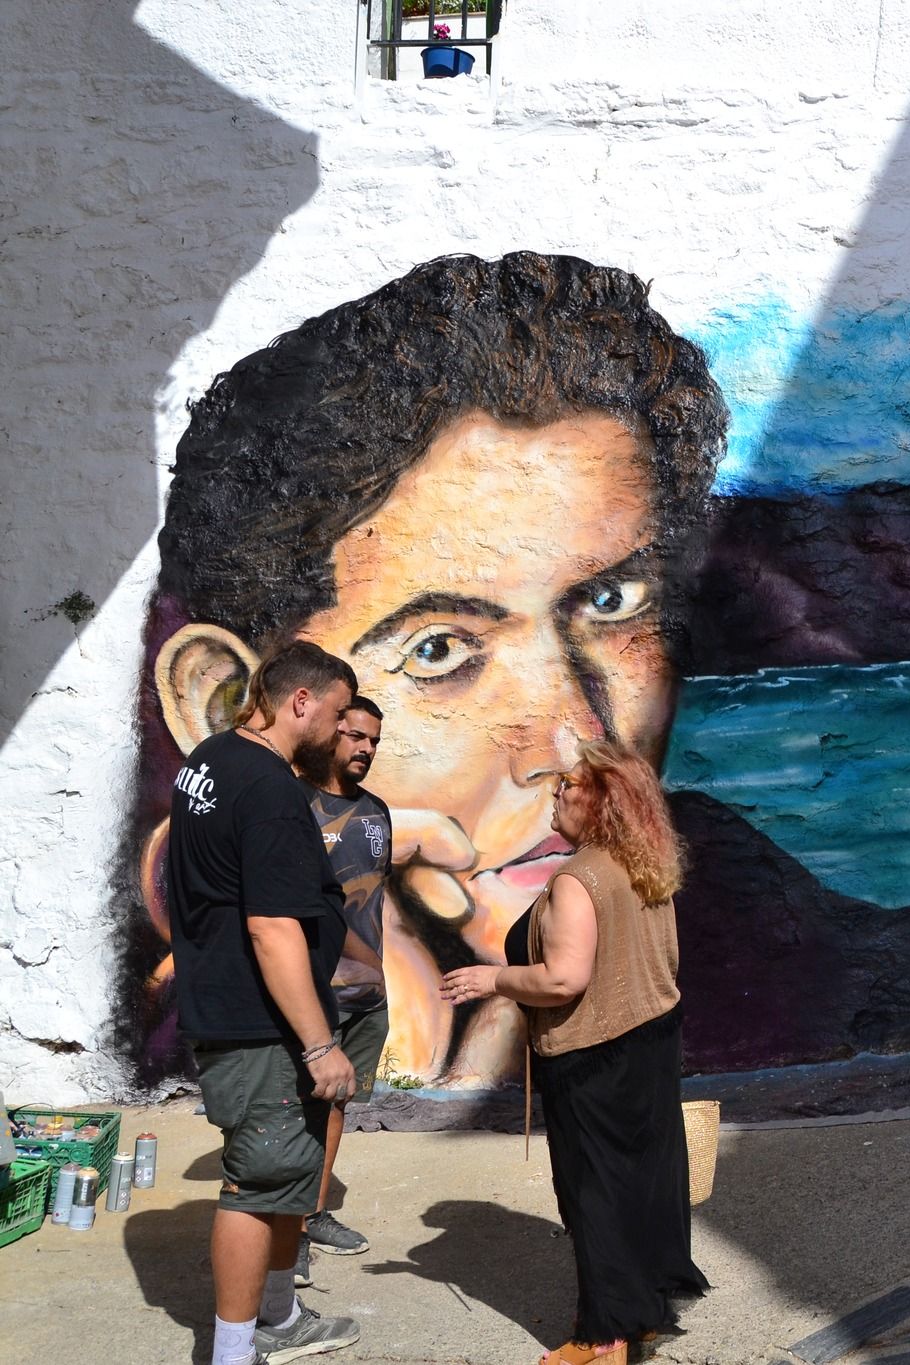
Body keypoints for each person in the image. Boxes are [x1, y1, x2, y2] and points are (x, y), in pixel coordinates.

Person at [130, 251, 727, 1089]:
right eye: (439, 649)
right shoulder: (192, 1016)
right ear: (229, 703)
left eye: (612, 600)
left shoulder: (794, 964)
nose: (572, 739)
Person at [441, 740, 711, 1365]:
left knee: (595, 1194)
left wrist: (493, 979)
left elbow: (564, 979)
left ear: (602, 801)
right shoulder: (646, 864)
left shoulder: (578, 878)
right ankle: (643, 1311)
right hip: (651, 1040)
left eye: (569, 785)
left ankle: (603, 1336)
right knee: (644, 1182)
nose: (556, 794)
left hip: (592, 1055)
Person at [167, 640, 364, 1365]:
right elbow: (272, 928)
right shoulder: (270, 789)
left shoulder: (212, 757)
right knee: (255, 1183)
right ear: (300, 702)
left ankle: (279, 1316)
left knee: (285, 1173)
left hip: (236, 1006)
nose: (342, 732)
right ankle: (233, 1351)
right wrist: (320, 1044)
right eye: (338, 716)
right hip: (261, 1024)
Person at [293, 697, 394, 1273]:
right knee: (295, 1111)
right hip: (309, 994)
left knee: (337, 1105)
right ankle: (285, 1234)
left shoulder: (377, 812)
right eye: (357, 736)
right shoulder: (294, 804)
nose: (366, 748)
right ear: (331, 733)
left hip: (367, 995)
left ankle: (312, 1212)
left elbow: (372, 901)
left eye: (374, 740)